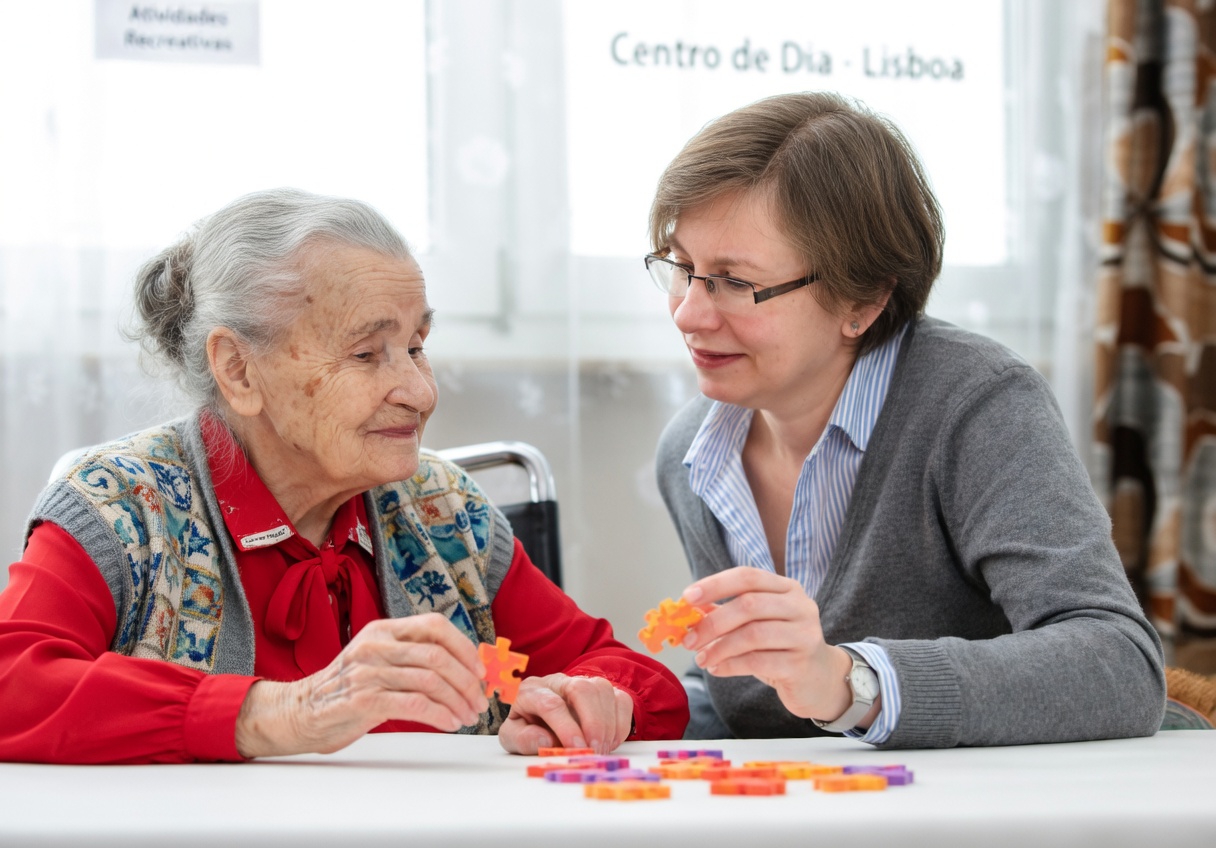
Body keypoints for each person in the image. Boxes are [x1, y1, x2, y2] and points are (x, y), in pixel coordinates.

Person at [0, 188, 687, 764]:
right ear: (238, 370)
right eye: (367, 353)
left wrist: (597, 703)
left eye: (418, 346)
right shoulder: (122, 506)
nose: (419, 392)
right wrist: (280, 712)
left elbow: (631, 674)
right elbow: (12, 684)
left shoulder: (445, 512)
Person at [647, 91, 1165, 747]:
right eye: (682, 269)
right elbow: (760, 702)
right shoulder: (690, 453)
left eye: (734, 281)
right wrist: (631, 706)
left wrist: (849, 682)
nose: (689, 314)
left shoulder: (977, 404)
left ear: (862, 300)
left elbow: (1119, 667)